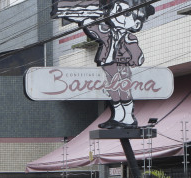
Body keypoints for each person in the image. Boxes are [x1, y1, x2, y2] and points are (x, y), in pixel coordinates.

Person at [52, 0, 154, 129]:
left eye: (126, 13)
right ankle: (118, 116)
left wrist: (135, 59)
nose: (118, 15)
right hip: (107, 64)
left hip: (122, 65)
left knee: (124, 90)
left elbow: (136, 53)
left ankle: (128, 117)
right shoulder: (108, 32)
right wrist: (84, 20)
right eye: (117, 10)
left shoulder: (129, 37)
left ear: (136, 23)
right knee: (113, 91)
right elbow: (95, 29)